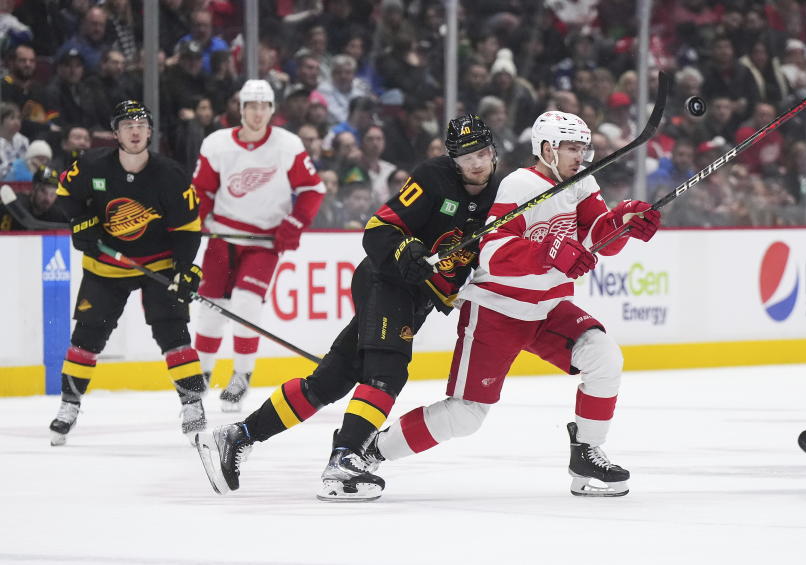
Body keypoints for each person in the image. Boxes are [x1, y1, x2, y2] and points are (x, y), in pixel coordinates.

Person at [194, 114, 500, 500]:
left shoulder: (502, 195)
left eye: (482, 153)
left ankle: (236, 436)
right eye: (466, 156)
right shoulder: (432, 177)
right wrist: (409, 249)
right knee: (386, 371)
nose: (476, 163)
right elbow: (378, 230)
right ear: (453, 159)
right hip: (385, 281)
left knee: (330, 381)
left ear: (494, 152)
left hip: (417, 298)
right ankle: (345, 460)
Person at [366, 111, 662, 499]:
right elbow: (493, 251)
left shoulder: (581, 182)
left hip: (548, 307)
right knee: (466, 415)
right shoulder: (520, 184)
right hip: (497, 310)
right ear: (546, 149)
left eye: (582, 148)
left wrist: (625, 221)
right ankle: (373, 450)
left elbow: (594, 236)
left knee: (604, 357)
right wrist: (551, 250)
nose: (580, 155)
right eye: (571, 147)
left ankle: (586, 452)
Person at [47, 101, 206, 445]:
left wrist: (185, 269)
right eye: (127, 124)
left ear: (150, 132)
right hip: (106, 266)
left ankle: (193, 404)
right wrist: (82, 222)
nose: (135, 130)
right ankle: (69, 405)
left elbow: (188, 229)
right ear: (115, 132)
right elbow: (65, 195)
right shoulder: (91, 165)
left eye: (141, 124)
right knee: (87, 336)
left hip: (158, 264)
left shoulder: (171, 174)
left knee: (173, 332)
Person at [190, 79, 326, 411]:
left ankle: (241, 376)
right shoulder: (216, 144)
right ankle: (201, 377)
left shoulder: (288, 145)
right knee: (209, 311)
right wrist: (199, 222)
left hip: (263, 244)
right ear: (241, 109)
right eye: (251, 106)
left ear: (272, 110)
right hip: (223, 238)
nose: (257, 113)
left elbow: (312, 190)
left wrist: (293, 224)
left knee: (246, 306)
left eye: (263, 106)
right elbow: (201, 191)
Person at [0, 166, 68, 231]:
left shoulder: (57, 213)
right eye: (43, 191)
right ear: (33, 189)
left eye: (53, 194)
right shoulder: (15, 206)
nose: (47, 199)